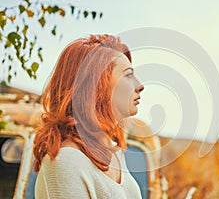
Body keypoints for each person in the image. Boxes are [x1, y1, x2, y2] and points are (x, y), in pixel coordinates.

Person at [33, 34, 144, 199]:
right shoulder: (67, 161)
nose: (140, 86)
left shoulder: (115, 152)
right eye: (128, 75)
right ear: (96, 84)